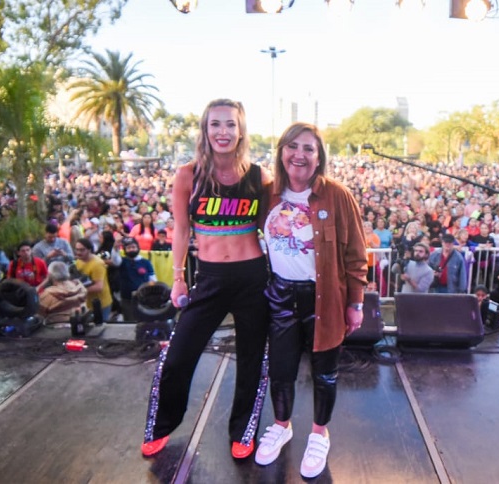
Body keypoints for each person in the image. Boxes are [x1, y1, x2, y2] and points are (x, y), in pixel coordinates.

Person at [142, 99, 272, 462]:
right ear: (205, 130)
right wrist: (178, 277)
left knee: (251, 359)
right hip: (210, 277)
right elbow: (182, 231)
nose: (223, 132)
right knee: (178, 356)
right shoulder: (188, 175)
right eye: (215, 124)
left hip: (252, 277)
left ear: (241, 131)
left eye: (230, 124)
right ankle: (161, 426)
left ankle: (243, 431)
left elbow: (273, 226)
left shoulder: (259, 177)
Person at [255, 122, 367, 478]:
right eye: (292, 146)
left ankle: (319, 433)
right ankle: (282, 425)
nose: (299, 155)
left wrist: (356, 302)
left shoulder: (337, 195)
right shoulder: (268, 195)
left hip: (325, 298)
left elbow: (356, 254)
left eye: (308, 148)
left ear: (319, 157)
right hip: (280, 295)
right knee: (281, 370)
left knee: (325, 374)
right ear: (281, 152)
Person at [73, 238, 113, 323]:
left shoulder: (97, 264)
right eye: (77, 249)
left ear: (89, 250)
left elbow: (98, 287)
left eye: (82, 250)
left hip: (100, 303)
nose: (78, 252)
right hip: (87, 302)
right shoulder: (79, 261)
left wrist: (77, 291)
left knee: (100, 327)